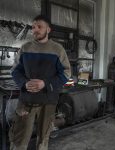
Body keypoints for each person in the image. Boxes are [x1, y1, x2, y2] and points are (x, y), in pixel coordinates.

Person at [9, 15, 71, 150]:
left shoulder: (58, 49)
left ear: (48, 29)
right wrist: (24, 83)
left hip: (48, 101)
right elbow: (14, 71)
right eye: (33, 27)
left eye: (39, 27)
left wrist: (45, 83)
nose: (35, 30)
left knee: (43, 140)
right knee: (19, 140)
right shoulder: (25, 48)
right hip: (26, 101)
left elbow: (66, 73)